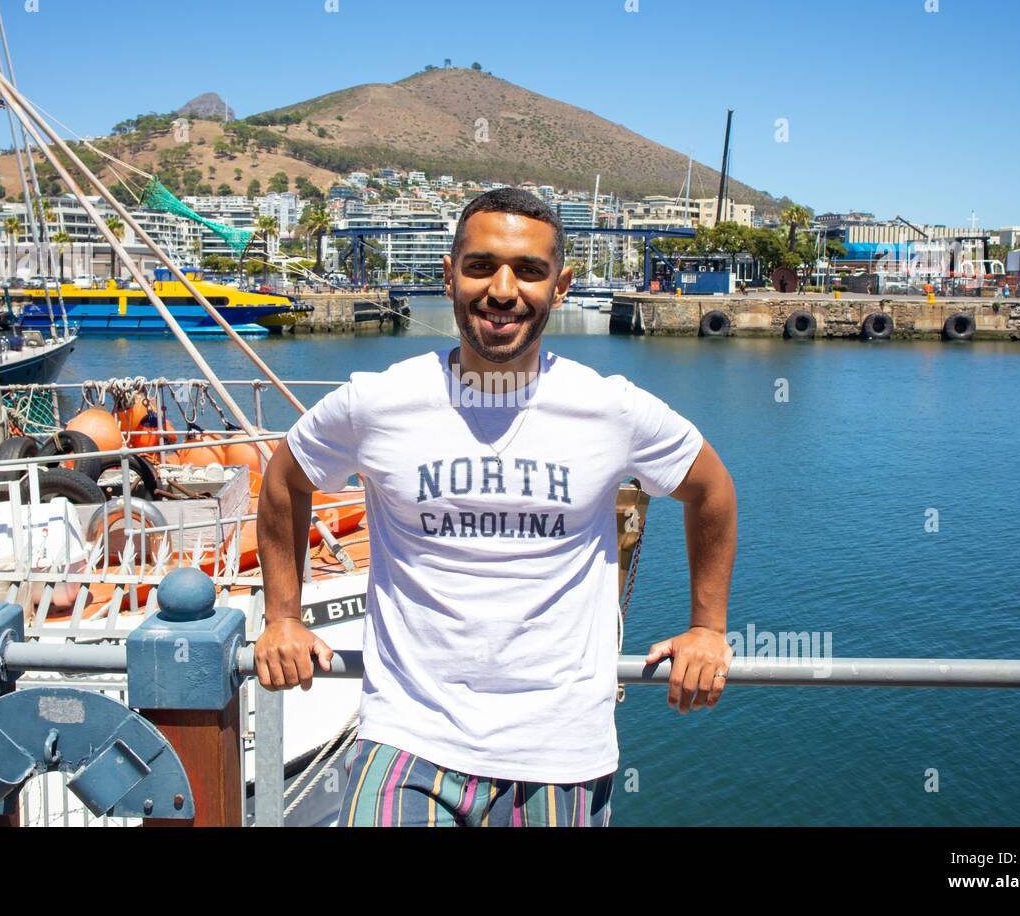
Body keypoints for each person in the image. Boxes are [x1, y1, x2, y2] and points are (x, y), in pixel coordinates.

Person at [253, 187, 737, 827]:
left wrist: (706, 626)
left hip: (560, 749)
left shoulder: (610, 409)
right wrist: (283, 615)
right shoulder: (378, 403)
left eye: (529, 271)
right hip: (407, 733)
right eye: (480, 266)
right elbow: (286, 480)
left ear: (560, 286)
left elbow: (710, 489)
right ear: (449, 274)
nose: (503, 290)